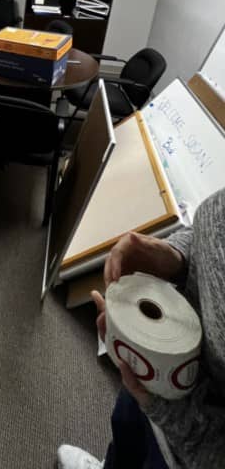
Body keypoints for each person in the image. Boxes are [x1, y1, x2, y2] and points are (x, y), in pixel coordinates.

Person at [57, 187, 225, 469]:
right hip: (153, 364)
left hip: (190, 445)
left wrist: (171, 416)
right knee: (127, 430)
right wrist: (175, 255)